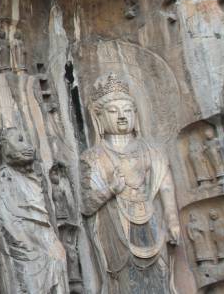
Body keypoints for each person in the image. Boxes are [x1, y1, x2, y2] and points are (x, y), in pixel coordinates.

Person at [80, 72, 180, 293]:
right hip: (114, 224)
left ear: (135, 113)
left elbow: (164, 184)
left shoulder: (151, 150)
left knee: (161, 275)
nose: (122, 116)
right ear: (99, 118)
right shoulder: (93, 156)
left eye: (127, 110)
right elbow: (86, 204)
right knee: (125, 277)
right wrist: (109, 190)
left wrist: (172, 216)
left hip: (151, 219)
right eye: (113, 112)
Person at [0, 127, 68, 294]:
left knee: (58, 259)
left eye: (27, 141)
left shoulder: (33, 179)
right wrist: (28, 243)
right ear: (5, 148)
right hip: (25, 249)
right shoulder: (3, 177)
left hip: (44, 244)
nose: (29, 146)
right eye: (19, 140)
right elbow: (2, 219)